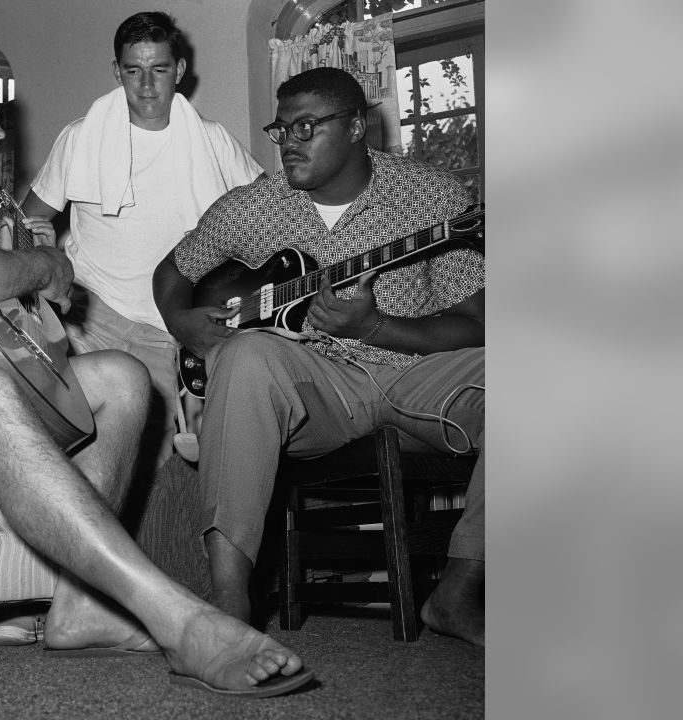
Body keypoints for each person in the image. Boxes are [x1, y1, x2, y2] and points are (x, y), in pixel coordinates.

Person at [0, 40, 314, 697]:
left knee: (122, 379)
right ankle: (180, 621)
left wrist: (27, 304)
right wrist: (47, 266)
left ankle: (80, 609)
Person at [153, 66, 486, 645]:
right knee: (247, 355)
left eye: (306, 126)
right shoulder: (253, 207)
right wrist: (185, 326)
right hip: (317, 391)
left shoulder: (434, 195)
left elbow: (478, 324)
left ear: (357, 126)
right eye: (281, 129)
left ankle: (457, 594)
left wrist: (379, 326)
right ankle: (229, 602)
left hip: (418, 378)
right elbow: (171, 274)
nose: (288, 142)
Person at [20, 11, 263, 474]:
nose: (146, 86)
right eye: (133, 71)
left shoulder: (213, 142)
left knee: (159, 470)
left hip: (166, 329)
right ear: (117, 72)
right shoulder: (79, 138)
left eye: (159, 70)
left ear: (180, 71)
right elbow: (29, 217)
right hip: (87, 318)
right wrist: (35, 247)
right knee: (67, 450)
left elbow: (274, 218)